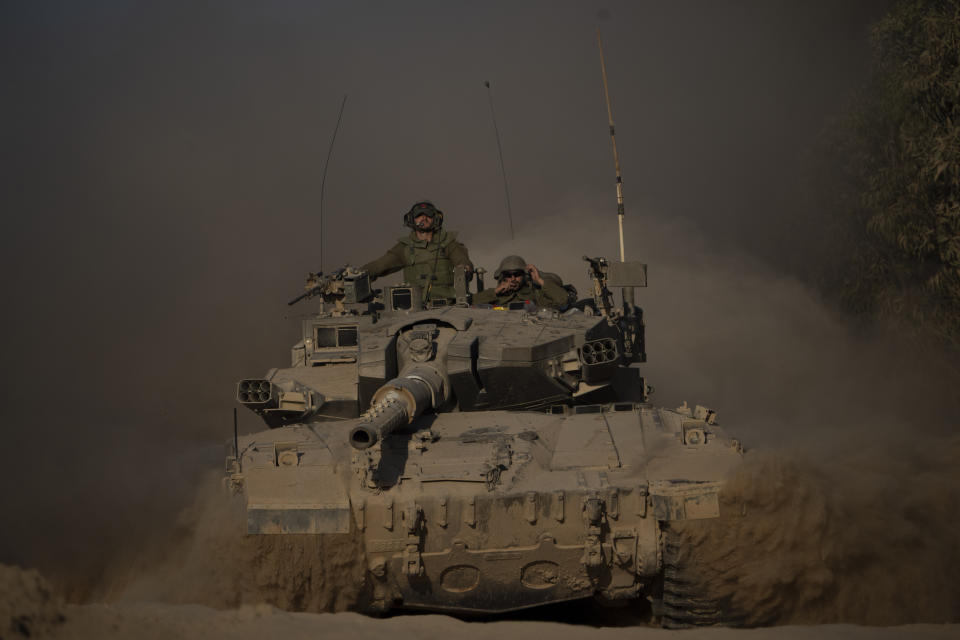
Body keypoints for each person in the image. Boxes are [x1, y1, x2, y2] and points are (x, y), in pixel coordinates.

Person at [361, 200, 473, 303]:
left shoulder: (448, 242)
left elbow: (462, 261)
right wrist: (356, 274)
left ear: (436, 218)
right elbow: (379, 266)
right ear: (411, 219)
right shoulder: (404, 248)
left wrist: (465, 268)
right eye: (419, 215)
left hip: (450, 303)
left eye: (428, 215)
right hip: (414, 306)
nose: (423, 218)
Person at [473, 255, 571, 309]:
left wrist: (540, 280)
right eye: (508, 275)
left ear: (524, 275)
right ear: (502, 277)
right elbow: (468, 304)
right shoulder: (495, 296)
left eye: (517, 274)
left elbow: (563, 299)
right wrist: (494, 292)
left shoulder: (536, 294)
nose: (513, 279)